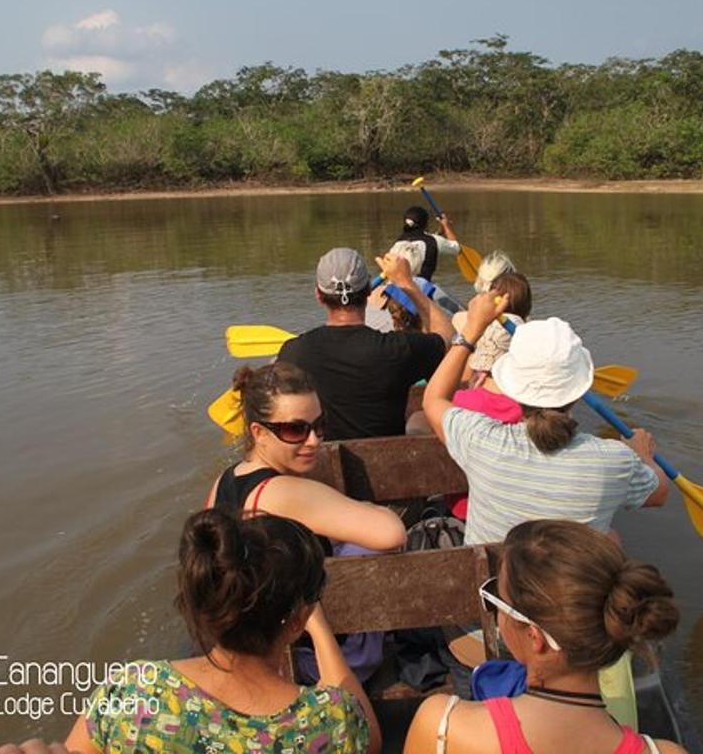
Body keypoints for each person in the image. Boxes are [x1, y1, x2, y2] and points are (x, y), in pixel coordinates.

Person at [62, 511, 380, 753]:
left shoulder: (131, 693)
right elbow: (373, 741)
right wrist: (318, 627)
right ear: (297, 619)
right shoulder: (332, 721)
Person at [403, 519, 686, 754]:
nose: (495, 610)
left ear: (534, 636)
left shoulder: (444, 727)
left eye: (497, 599)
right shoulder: (666, 752)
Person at [423, 294, 671, 545]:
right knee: (611, 539)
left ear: (512, 385)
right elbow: (659, 493)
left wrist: (472, 329)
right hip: (571, 582)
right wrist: (644, 456)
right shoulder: (615, 460)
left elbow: (433, 399)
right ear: (577, 393)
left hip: (492, 580)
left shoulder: (480, 439)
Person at [205, 361, 406, 553]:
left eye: (318, 425)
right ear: (259, 433)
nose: (313, 441)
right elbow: (392, 533)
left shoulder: (223, 481)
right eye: (295, 429)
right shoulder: (285, 492)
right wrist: (369, 507)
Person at [278, 248, 451, 440]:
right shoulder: (399, 349)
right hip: (389, 465)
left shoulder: (292, 353)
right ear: (369, 290)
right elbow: (448, 338)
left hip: (317, 464)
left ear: (318, 295)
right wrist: (406, 283)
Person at [451, 271, 532, 391]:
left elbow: (457, 318)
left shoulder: (475, 321)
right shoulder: (523, 329)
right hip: (507, 384)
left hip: (476, 377)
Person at [396, 205, 460, 282]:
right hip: (420, 288)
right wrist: (446, 226)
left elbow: (424, 241)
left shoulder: (398, 242)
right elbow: (456, 248)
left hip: (397, 284)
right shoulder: (433, 241)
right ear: (426, 223)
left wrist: (441, 230)